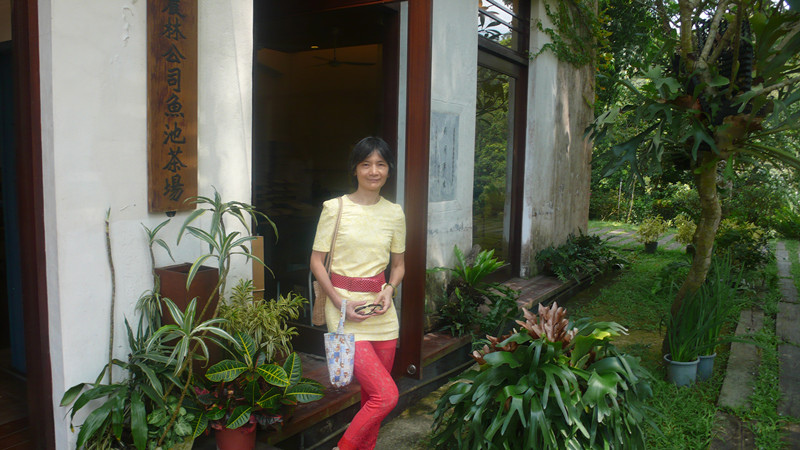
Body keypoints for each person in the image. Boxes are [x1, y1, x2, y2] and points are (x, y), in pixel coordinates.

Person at [309, 136, 405, 450]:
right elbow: (316, 262)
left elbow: (399, 265)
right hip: (344, 309)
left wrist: (389, 289)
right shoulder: (334, 208)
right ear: (355, 169)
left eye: (381, 164)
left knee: (372, 398)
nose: (373, 171)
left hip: (381, 312)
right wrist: (339, 302)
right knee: (386, 396)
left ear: (389, 170)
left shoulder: (395, 213)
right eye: (366, 164)